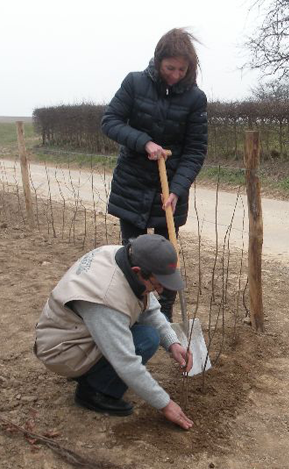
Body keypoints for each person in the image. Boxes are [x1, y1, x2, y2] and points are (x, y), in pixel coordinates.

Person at [101, 28, 208, 321]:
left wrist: (177, 190)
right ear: (158, 61)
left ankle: (166, 316)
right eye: (169, 67)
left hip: (169, 189)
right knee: (134, 254)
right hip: (132, 184)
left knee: (167, 257)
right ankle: (133, 311)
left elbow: (196, 149)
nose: (175, 74)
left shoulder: (196, 98)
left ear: (190, 68)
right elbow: (110, 121)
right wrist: (143, 142)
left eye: (181, 69)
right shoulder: (135, 83)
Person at [34, 234, 194, 429]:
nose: (160, 291)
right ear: (138, 271)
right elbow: (126, 362)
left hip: (75, 332)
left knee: (145, 332)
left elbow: (149, 310)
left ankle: (92, 373)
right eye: (157, 284)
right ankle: (93, 392)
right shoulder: (106, 297)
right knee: (145, 339)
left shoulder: (123, 258)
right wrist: (165, 404)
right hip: (62, 350)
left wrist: (173, 343)